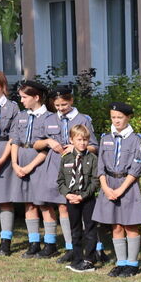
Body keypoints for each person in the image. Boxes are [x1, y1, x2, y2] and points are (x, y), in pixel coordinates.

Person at [92, 102, 141, 277]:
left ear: (128, 117)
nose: (116, 121)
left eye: (120, 117)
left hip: (127, 185)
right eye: (113, 117)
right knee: (116, 225)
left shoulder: (136, 139)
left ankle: (132, 263)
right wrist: (105, 188)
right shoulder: (105, 138)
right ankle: (121, 262)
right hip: (109, 185)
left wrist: (121, 189)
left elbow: (136, 167)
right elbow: (100, 165)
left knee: (130, 224)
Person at [46, 87, 96, 263]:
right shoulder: (50, 118)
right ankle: (71, 249)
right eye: (57, 105)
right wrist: (48, 141)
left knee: (87, 219)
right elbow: (37, 142)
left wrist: (76, 147)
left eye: (64, 104)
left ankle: (92, 252)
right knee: (65, 209)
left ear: (71, 101)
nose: (60, 108)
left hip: (83, 170)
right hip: (61, 168)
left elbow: (94, 146)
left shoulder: (83, 119)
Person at [8, 80, 57, 258]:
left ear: (36, 97)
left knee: (44, 204)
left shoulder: (50, 118)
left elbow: (47, 148)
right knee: (29, 203)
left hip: (40, 164)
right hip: (21, 162)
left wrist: (29, 166)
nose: (21, 101)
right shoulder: (21, 116)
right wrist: (15, 163)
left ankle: (50, 244)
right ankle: (33, 242)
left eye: (24, 97)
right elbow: (14, 140)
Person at [56, 124, 99, 272]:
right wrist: (67, 194)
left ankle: (89, 260)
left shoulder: (93, 159)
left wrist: (82, 196)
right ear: (71, 140)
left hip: (87, 199)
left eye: (85, 140)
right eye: (79, 139)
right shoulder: (65, 158)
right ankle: (77, 258)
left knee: (90, 230)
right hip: (71, 199)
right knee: (75, 230)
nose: (82, 143)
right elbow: (60, 181)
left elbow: (95, 181)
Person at [0, 69, 22, 255]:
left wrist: (3, 158)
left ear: (3, 86)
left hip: (5, 151)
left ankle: (6, 241)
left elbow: (14, 135)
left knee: (5, 200)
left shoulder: (12, 108)